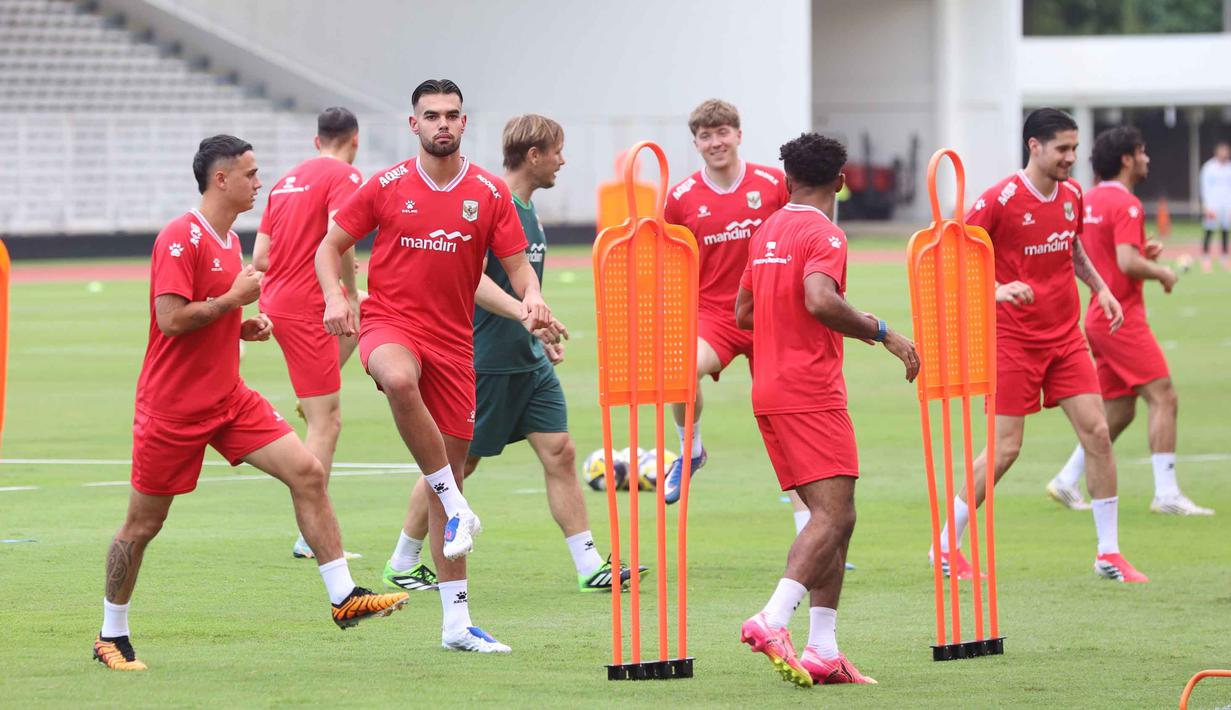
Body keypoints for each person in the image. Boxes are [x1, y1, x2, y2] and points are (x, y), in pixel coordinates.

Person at [93, 135, 407, 672]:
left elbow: (208, 311)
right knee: (142, 526)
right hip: (173, 410)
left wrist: (241, 325)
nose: (260, 183)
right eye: (251, 174)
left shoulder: (227, 240)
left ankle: (343, 596)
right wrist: (232, 302)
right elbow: (170, 318)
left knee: (308, 472)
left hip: (230, 400)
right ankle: (111, 634)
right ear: (222, 180)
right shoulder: (181, 235)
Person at [316, 80, 551, 653]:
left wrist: (534, 298)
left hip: (455, 346)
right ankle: (452, 500)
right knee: (397, 379)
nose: (441, 123)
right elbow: (329, 246)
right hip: (391, 325)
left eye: (451, 115)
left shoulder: (490, 193)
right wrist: (335, 296)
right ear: (413, 124)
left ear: (464, 124)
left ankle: (456, 624)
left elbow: (517, 267)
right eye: (431, 116)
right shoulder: (388, 185)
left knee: (452, 484)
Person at [385, 114, 643, 594]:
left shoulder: (528, 206)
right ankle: (403, 559)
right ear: (534, 156)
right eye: (557, 152)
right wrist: (524, 314)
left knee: (561, 452)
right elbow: (474, 278)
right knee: (455, 469)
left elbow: (526, 286)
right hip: (486, 362)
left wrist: (541, 329)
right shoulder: (492, 201)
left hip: (529, 364)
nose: (563, 161)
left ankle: (589, 565)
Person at [734, 133, 919, 687]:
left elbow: (743, 311)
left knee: (836, 515)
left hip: (768, 389)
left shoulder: (766, 229)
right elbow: (819, 299)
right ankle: (772, 618)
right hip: (809, 392)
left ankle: (823, 648)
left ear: (787, 179)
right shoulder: (824, 232)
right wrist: (882, 331)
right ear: (842, 180)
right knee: (834, 516)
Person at [934, 108, 1147, 583]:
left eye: (1075, 148)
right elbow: (953, 256)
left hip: (1065, 337)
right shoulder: (1000, 199)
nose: (1072, 158)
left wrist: (1101, 288)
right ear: (1034, 146)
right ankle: (946, 544)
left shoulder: (1072, 194)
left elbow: (1071, 246)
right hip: (1013, 340)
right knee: (1005, 450)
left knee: (1097, 432)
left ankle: (1108, 552)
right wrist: (994, 290)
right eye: (1063, 149)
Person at [1047, 127, 1213, 516]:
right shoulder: (1128, 204)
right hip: (1122, 316)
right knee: (1164, 396)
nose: (1147, 159)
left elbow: (1097, 253)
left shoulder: (1086, 200)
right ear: (1126, 159)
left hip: (1098, 315)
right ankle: (1167, 493)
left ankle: (1066, 480)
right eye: (1142, 151)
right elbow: (1124, 262)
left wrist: (1140, 253)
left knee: (1120, 409)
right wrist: (1161, 271)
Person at [252, 106, 371, 562]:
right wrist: (350, 290)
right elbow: (339, 238)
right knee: (329, 421)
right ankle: (310, 534)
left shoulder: (284, 182)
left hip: (278, 301)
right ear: (354, 140)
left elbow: (261, 257)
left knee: (371, 317)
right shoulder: (345, 176)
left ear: (316, 140)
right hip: (308, 305)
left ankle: (312, 391)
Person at [660, 99, 790, 506]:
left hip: (770, 315)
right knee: (677, 375)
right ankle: (691, 449)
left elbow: (805, 234)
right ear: (696, 143)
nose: (716, 142)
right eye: (705, 136)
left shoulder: (773, 185)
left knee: (785, 423)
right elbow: (667, 262)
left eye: (722, 133)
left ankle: (812, 534)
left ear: (738, 135)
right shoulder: (680, 198)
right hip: (714, 316)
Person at [1199, 141, 1231, 272]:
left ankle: (1224, 258)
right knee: (1209, 230)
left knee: (1225, 231)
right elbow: (1204, 187)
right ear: (1217, 152)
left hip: (1227, 204)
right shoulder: (1209, 167)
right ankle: (1206, 258)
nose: (1224, 154)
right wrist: (1206, 205)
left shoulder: (1229, 168)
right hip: (1212, 205)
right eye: (1222, 151)